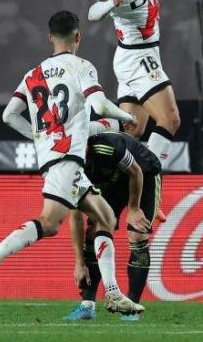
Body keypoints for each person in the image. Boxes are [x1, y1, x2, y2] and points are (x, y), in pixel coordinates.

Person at [0, 10, 144, 315]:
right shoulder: (81, 67)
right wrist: (126, 116)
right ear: (78, 36)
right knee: (50, 223)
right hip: (65, 157)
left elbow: (9, 115)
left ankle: (114, 294)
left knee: (106, 217)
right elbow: (100, 105)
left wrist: (39, 138)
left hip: (60, 156)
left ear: (50, 37)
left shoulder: (33, 74)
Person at [88, 0, 192, 163]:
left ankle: (101, 177)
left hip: (133, 57)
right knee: (170, 120)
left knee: (131, 132)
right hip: (138, 58)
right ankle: (149, 176)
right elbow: (92, 13)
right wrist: (110, 4)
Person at [63, 121, 162, 322]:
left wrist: (134, 208)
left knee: (137, 233)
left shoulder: (108, 145)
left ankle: (131, 306)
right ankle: (87, 305)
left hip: (144, 173)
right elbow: (75, 215)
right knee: (95, 228)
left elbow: (135, 172)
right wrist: (79, 261)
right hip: (112, 181)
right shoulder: (67, 166)